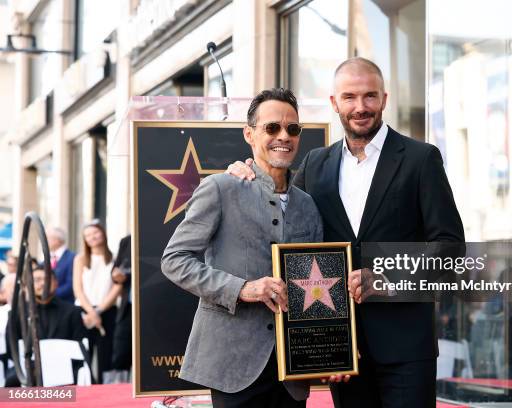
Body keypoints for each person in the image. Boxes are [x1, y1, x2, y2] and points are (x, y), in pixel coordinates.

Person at [227, 58, 465, 408]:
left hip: (406, 348)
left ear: (384, 99)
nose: (360, 107)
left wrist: (384, 278)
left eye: (369, 96)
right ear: (334, 103)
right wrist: (246, 171)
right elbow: (286, 222)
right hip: (340, 348)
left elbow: (450, 249)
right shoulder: (314, 164)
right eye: (349, 97)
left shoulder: (420, 159)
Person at [161, 88, 323, 408]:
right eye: (272, 128)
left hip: (293, 371)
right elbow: (174, 259)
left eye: (293, 129)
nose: (284, 136)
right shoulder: (221, 188)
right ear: (249, 134)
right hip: (232, 366)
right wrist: (242, 288)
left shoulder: (309, 206)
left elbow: (318, 284)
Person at [4, 265, 88, 386]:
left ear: (56, 283)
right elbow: (11, 348)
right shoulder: (17, 314)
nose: (43, 283)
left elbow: (80, 346)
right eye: (37, 280)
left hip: (65, 370)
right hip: (29, 370)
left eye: (48, 278)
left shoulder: (72, 312)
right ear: (28, 284)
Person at [73, 220, 122, 383]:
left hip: (107, 311)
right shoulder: (80, 259)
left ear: (103, 233)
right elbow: (78, 289)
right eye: (87, 235)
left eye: (95, 233)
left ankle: (103, 389)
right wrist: (91, 312)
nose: (92, 237)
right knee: (83, 355)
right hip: (84, 312)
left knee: (105, 355)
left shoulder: (115, 258)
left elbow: (118, 287)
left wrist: (99, 311)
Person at [110, 234, 131, 377]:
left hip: (152, 307)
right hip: (127, 307)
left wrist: (127, 276)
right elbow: (115, 270)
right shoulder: (126, 241)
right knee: (120, 352)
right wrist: (116, 275)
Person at [46, 227, 76, 303]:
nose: (44, 241)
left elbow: (71, 284)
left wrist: (49, 294)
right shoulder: (46, 259)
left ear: (57, 240)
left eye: (47, 238)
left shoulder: (73, 258)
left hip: (65, 305)